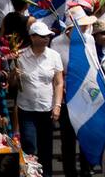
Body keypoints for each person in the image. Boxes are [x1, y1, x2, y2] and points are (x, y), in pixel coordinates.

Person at [12, 20, 64, 174]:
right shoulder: (20, 56)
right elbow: (12, 84)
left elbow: (59, 83)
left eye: (47, 36)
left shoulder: (54, 56)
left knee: (46, 148)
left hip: (47, 109)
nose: (46, 39)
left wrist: (57, 105)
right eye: (42, 36)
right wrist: (14, 75)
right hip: (26, 109)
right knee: (29, 147)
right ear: (32, 37)